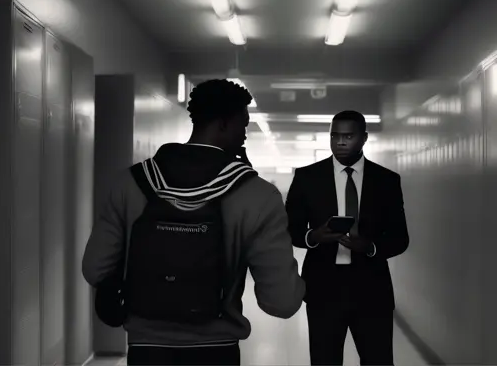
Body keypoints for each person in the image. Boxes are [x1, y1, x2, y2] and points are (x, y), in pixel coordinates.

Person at [82, 79, 305, 365]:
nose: (245, 136)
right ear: (223, 124)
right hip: (217, 350)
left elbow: (95, 268)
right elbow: (282, 301)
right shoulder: (258, 195)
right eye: (243, 125)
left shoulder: (130, 183)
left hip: (146, 347)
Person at [285, 110, 409, 366]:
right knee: (324, 361)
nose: (340, 142)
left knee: (378, 360)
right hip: (323, 289)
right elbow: (289, 230)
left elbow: (400, 237)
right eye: (335, 136)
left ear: (364, 138)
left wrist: (371, 247)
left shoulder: (386, 181)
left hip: (372, 289)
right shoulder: (307, 177)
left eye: (348, 136)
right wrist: (313, 236)